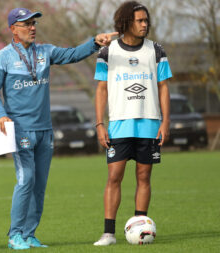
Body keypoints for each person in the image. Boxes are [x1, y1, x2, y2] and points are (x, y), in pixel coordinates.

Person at [0, 7, 117, 250]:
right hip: (21, 131)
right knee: (26, 180)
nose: (33, 28)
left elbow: (73, 54)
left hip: (45, 130)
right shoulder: (2, 57)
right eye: (27, 24)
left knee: (39, 186)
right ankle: (15, 235)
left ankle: (29, 234)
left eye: (34, 23)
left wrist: (94, 42)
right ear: (13, 29)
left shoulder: (45, 52)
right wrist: (1, 115)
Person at [93, 1, 172, 246]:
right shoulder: (108, 51)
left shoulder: (156, 50)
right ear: (126, 22)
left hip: (149, 123)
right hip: (118, 124)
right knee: (114, 176)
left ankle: (140, 228)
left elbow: (163, 88)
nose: (144, 25)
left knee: (144, 176)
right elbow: (101, 89)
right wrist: (99, 124)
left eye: (146, 20)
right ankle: (108, 233)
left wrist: (165, 122)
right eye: (139, 20)